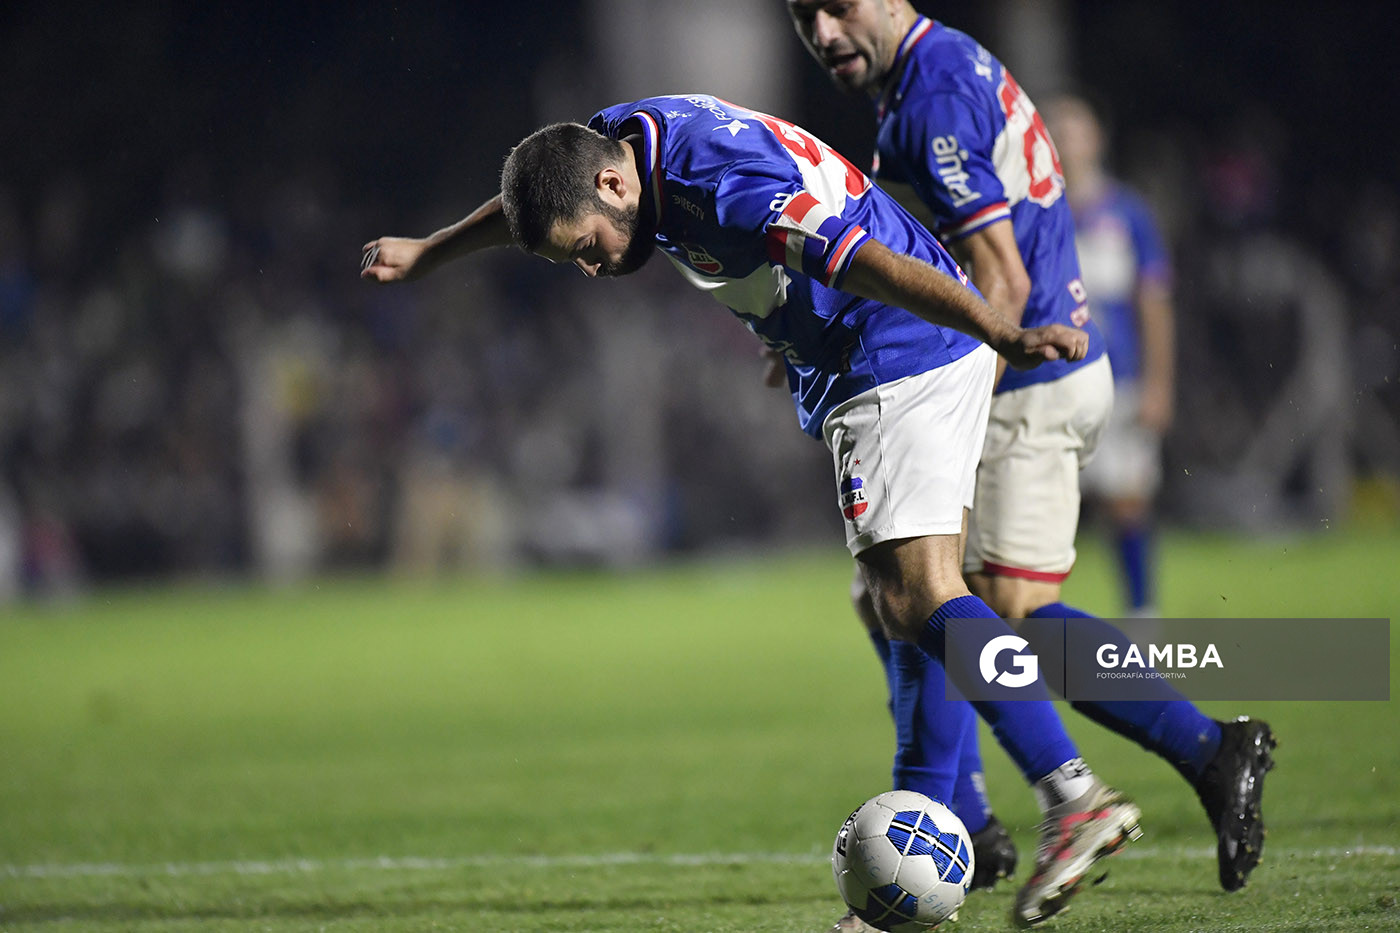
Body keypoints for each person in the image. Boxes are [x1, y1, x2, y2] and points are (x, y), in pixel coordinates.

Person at [361, 93, 1141, 927]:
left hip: (896, 352)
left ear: (614, 186)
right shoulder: (615, 140)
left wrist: (998, 328)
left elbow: (864, 257)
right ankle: (928, 864)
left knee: (919, 596)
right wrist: (432, 252)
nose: (590, 265)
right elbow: (535, 201)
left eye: (587, 248)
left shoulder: (720, 183)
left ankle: (1072, 795)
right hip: (871, 358)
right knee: (899, 601)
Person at [785, 1, 1275, 924]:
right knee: (906, 596)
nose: (821, 27)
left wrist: (924, 383)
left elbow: (1001, 277)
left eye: (838, 3)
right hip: (1014, 381)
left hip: (1022, 383)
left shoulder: (930, 99)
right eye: (803, 12)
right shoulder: (929, 79)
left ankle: (1186, 756)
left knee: (994, 608)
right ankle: (961, 818)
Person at [1044, 93, 1172, 618]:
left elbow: (1154, 301)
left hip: (1119, 381)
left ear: (1096, 138)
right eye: (1056, 132)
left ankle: (1143, 617)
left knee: (1127, 503)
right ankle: (1032, 626)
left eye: (1075, 131)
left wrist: (1160, 383)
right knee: (1045, 510)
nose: (1066, 142)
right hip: (1050, 385)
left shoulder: (1128, 213)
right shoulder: (1033, 216)